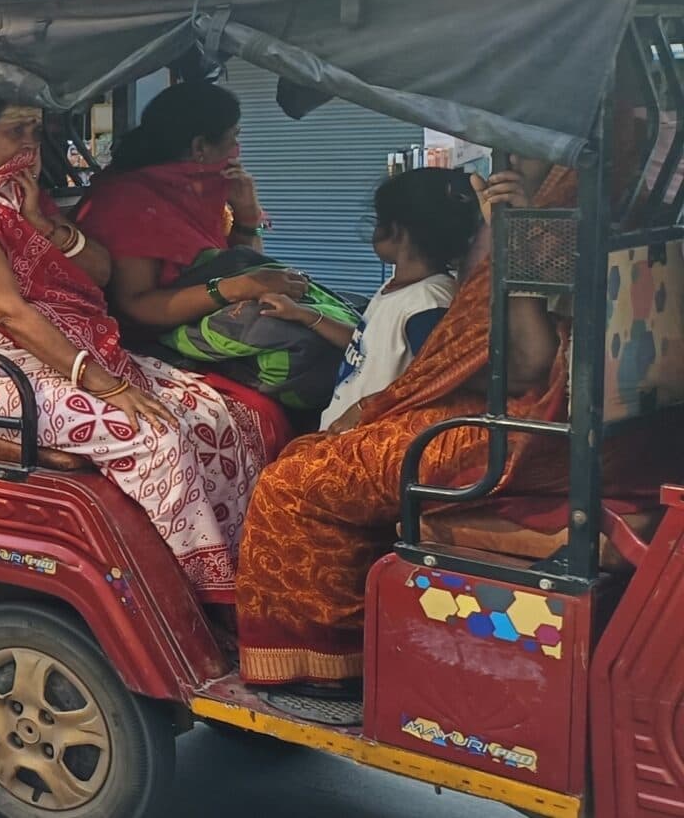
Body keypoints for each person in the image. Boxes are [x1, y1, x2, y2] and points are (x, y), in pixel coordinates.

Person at [0, 87, 280, 602]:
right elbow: (10, 313)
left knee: (217, 416)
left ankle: (242, 574)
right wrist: (105, 384)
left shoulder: (23, 196)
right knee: (157, 438)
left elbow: (98, 272)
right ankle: (200, 595)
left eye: (36, 129)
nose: (30, 144)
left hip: (78, 345)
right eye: (17, 130)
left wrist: (46, 227)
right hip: (0, 371)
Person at [237, 159, 593, 692]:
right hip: (506, 412)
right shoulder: (535, 212)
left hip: (518, 424)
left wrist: (516, 230)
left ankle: (329, 658)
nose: (504, 166)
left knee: (287, 485)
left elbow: (520, 363)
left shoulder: (536, 220)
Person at [75, 80, 332, 406]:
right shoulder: (131, 201)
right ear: (200, 147)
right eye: (234, 138)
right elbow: (137, 306)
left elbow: (242, 263)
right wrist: (237, 288)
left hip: (202, 328)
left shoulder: (192, 194)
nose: (237, 151)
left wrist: (248, 217)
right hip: (147, 341)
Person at [262, 168, 482, 431]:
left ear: (398, 231)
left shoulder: (429, 303)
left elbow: (432, 383)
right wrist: (302, 314)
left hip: (366, 442)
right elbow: (368, 348)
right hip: (345, 434)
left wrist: (361, 410)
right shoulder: (398, 288)